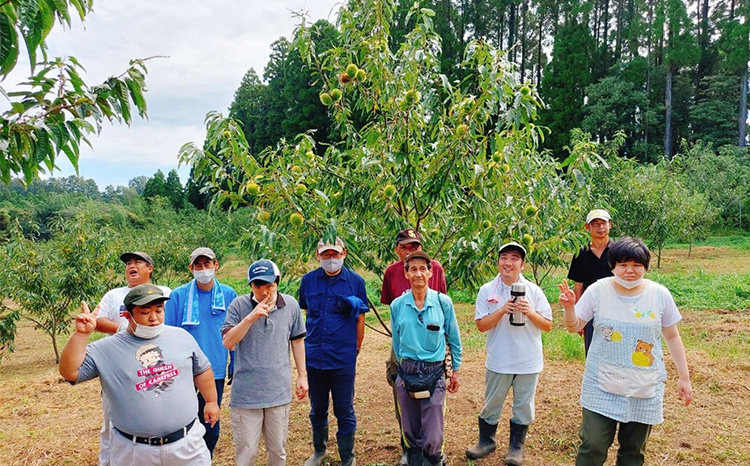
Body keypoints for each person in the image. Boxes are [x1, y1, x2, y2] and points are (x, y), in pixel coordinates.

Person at [558, 237, 693, 466]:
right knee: (592, 445)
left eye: (636, 265)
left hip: (644, 386)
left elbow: (671, 335)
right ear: (612, 266)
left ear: (645, 267)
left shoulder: (659, 295)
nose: (629, 271)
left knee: (633, 451)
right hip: (601, 385)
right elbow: (574, 326)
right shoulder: (597, 291)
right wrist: (570, 308)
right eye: (622, 265)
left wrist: (684, 377)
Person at [59, 284, 219, 466]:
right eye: (145, 313)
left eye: (159, 311)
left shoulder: (181, 337)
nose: (154, 318)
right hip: (135, 451)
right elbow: (69, 372)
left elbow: (201, 369)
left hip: (187, 445)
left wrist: (211, 401)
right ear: (127, 316)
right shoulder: (107, 349)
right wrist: (81, 335)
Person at [466, 241, 553, 465]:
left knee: (524, 405)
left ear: (522, 265)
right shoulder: (488, 290)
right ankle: (487, 440)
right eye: (504, 258)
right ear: (498, 262)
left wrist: (529, 312)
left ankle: (516, 447)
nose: (508, 263)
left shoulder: (533, 291)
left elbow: (548, 324)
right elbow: (481, 325)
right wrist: (503, 309)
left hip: (528, 361)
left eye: (514, 258)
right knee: (492, 402)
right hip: (499, 359)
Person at [221, 259, 308, 466]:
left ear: (277, 283)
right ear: (251, 286)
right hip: (246, 396)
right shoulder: (239, 306)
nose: (264, 291)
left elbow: (297, 341)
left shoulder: (290, 305)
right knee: (247, 453)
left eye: (269, 285)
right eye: (258, 285)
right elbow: (228, 342)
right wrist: (250, 318)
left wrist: (302, 375)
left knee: (277, 451)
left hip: (278, 392)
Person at [93, 251, 171, 466]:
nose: (131, 266)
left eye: (137, 262)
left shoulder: (164, 292)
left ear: (150, 268)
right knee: (112, 421)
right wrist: (125, 327)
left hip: (154, 366)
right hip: (118, 369)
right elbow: (97, 321)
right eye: (128, 263)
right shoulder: (114, 295)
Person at [298, 237, 369, 466]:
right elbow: (307, 313)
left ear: (344, 254)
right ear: (318, 255)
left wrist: (355, 348)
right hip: (315, 358)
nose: (330, 259)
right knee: (317, 408)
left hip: (343, 358)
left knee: (344, 409)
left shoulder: (355, 282)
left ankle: (347, 457)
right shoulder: (308, 281)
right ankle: (319, 451)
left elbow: (360, 319)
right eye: (326, 254)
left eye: (335, 254)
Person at [380, 228, 448, 466]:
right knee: (403, 394)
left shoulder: (436, 269)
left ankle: (433, 449)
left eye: (414, 246)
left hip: (430, 341)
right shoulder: (391, 272)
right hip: (404, 342)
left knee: (434, 401)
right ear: (397, 249)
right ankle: (408, 447)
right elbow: (392, 307)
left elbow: (442, 307)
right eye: (405, 247)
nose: (410, 251)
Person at [390, 251, 462, 466]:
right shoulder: (397, 306)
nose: (418, 273)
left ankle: (434, 459)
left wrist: (454, 371)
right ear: (406, 274)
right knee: (410, 429)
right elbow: (397, 342)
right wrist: (402, 371)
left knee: (433, 433)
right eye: (413, 269)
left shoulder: (443, 303)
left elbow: (454, 339)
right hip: (407, 372)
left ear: (431, 273)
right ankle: (414, 459)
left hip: (434, 373)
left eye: (423, 268)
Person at [164, 247, 238, 456]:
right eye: (198, 265)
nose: (203, 269)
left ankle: (206, 457)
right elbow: (168, 333)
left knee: (211, 422)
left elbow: (235, 331)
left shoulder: (228, 294)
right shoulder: (178, 296)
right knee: (184, 421)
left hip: (214, 369)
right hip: (184, 370)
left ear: (216, 265)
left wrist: (234, 359)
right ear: (191, 268)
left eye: (207, 264)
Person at [567, 209, 614, 356]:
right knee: (592, 350)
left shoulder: (618, 252)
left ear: (610, 225)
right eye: (595, 224)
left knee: (617, 345)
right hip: (591, 308)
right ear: (587, 227)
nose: (600, 227)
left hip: (616, 306)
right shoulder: (581, 253)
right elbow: (578, 286)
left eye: (603, 223)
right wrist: (579, 315)